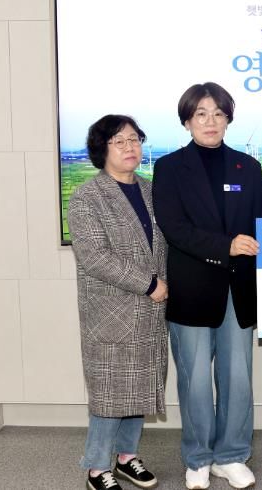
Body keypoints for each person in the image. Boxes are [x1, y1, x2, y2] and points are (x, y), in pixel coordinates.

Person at [152, 82, 262, 490]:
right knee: (195, 379)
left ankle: (232, 454)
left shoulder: (248, 166)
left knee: (238, 378)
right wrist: (225, 246)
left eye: (218, 113)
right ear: (187, 121)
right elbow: (174, 228)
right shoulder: (169, 168)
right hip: (192, 288)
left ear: (228, 119)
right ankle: (198, 457)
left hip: (239, 289)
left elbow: (261, 224)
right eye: (200, 113)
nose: (210, 121)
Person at [68, 114, 169, 490]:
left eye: (134, 140)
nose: (130, 147)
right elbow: (94, 256)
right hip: (112, 311)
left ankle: (127, 458)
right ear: (102, 149)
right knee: (109, 392)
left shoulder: (151, 190)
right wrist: (149, 284)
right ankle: (96, 468)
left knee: (139, 385)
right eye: (119, 141)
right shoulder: (87, 196)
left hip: (151, 310)